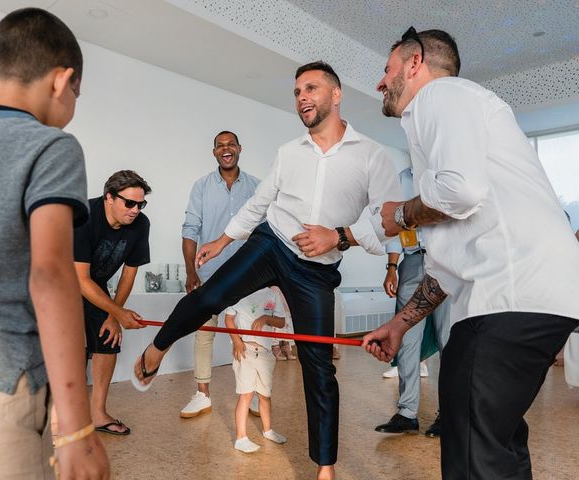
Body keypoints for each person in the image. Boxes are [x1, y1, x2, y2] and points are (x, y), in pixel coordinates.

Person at [133, 61, 401, 480]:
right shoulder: (289, 152)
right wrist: (223, 240)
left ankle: (324, 468)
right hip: (271, 242)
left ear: (336, 94)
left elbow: (388, 222)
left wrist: (339, 237)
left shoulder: (371, 156)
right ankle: (158, 347)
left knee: (318, 365)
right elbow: (259, 202)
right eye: (296, 92)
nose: (302, 98)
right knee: (211, 296)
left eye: (310, 88)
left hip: (317, 269)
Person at [363, 27, 579, 479]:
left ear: (414, 62)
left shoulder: (442, 96)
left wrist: (400, 215)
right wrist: (399, 326)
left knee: (473, 453)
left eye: (386, 69)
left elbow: (460, 192)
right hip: (527, 298)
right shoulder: (450, 121)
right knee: (493, 442)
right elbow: (446, 268)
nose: (381, 83)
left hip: (507, 295)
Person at [0, 8, 109, 479]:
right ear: (63, 81)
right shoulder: (52, 146)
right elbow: (51, 273)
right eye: (77, 93)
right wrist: (77, 428)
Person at [180, 131, 259, 418]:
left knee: (250, 335)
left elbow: (265, 232)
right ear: (214, 152)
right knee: (204, 334)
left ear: (239, 149)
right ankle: (202, 395)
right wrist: (191, 271)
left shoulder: (256, 187)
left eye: (231, 145)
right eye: (220, 146)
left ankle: (251, 394)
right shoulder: (201, 187)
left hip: (246, 275)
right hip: (209, 273)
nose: (226, 149)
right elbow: (190, 229)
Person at [74, 170, 151, 435]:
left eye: (140, 204)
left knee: (107, 339)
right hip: (60, 281)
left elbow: (129, 274)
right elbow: (80, 279)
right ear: (109, 197)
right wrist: (117, 311)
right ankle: (59, 419)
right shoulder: (84, 214)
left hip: (96, 285)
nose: (135, 210)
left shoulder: (141, 225)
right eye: (129, 203)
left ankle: (97, 415)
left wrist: (113, 317)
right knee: (69, 345)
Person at [375, 167, 451, 438]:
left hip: (446, 260)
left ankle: (450, 414)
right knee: (406, 338)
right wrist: (392, 267)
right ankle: (407, 413)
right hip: (413, 260)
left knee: (448, 339)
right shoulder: (401, 177)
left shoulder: (446, 172)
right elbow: (394, 227)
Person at [225, 287, 288, 453]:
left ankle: (268, 430)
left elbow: (281, 322)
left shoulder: (272, 294)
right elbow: (229, 319)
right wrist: (237, 341)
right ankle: (241, 438)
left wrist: (267, 317)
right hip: (245, 351)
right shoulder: (238, 291)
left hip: (266, 353)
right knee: (245, 395)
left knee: (265, 395)